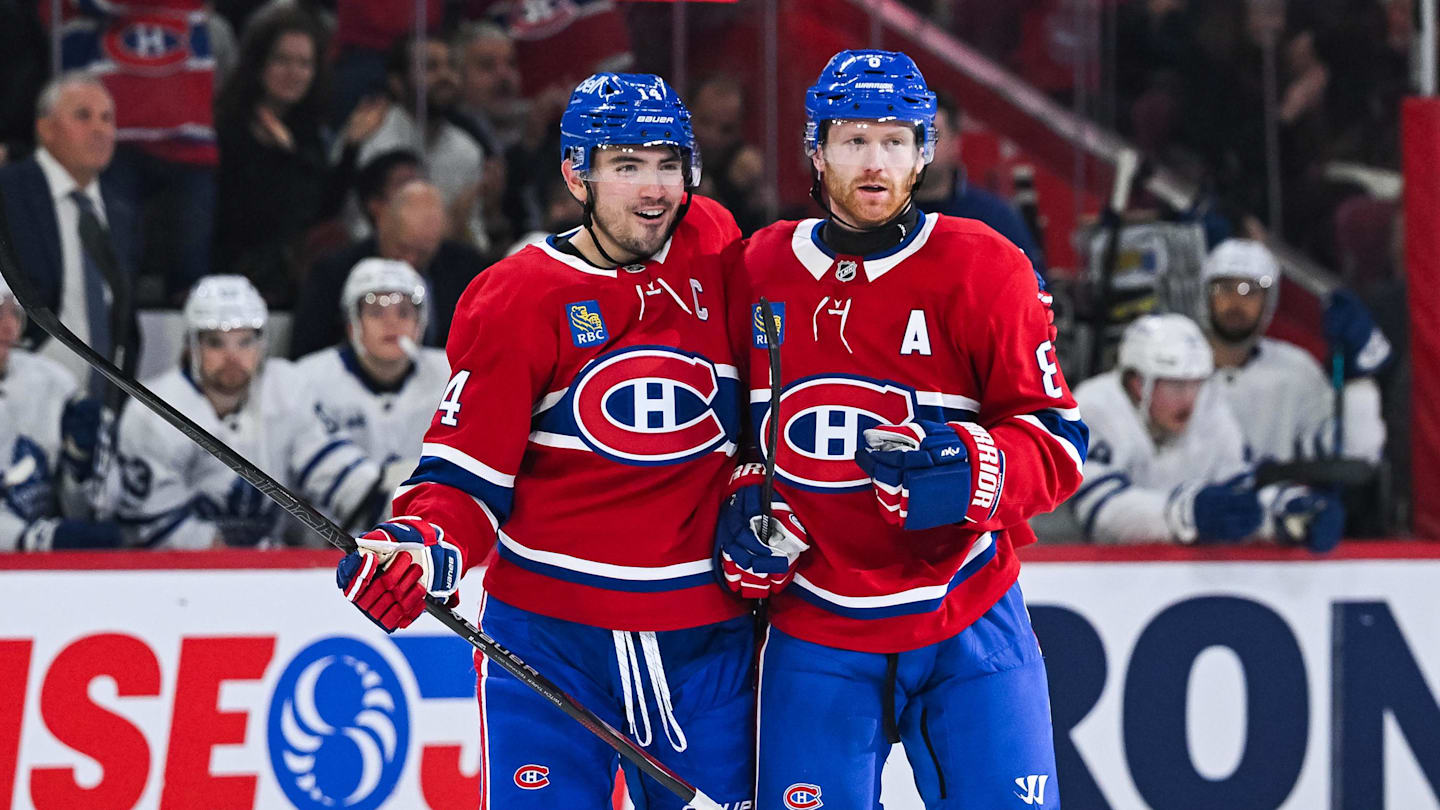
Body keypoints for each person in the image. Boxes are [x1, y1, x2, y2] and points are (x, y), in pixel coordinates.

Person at [333, 73, 754, 809]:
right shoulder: (518, 297)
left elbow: (764, 407)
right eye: (626, 165)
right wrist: (419, 546)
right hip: (553, 649)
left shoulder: (713, 244)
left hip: (706, 643)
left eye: (668, 164)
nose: (654, 189)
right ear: (575, 173)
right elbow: (465, 478)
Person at [719, 50, 1088, 808]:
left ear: (926, 152)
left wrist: (976, 469)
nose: (874, 161)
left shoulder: (989, 267)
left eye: (895, 141)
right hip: (815, 625)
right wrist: (744, 495)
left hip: (967, 616)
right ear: (815, 152)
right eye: (854, 141)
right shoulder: (754, 270)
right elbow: (731, 432)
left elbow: (1058, 442)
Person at [111, 275, 382, 549]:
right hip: (175, 576)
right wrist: (238, 556)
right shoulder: (152, 410)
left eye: (245, 341)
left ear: (261, 344)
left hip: (268, 565)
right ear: (192, 346)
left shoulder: (287, 387)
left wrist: (383, 495)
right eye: (216, 342)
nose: (232, 357)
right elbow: (149, 527)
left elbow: (333, 467)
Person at [1071, 312, 1345, 550]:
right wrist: (1184, 514)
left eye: (1196, 383)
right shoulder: (1093, 409)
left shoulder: (1207, 406)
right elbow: (1101, 513)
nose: (1190, 398)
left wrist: (1288, 510)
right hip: (1069, 573)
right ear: (1139, 384)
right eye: (1177, 386)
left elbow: (1239, 489)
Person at [213, 7, 387, 303]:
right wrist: (281, 157)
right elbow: (245, 216)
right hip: (235, 276)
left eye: (305, 64)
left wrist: (351, 147)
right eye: (282, 60)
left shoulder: (307, 130)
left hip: (290, 276)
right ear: (258, 65)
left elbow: (320, 211)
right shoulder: (229, 126)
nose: (294, 73)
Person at [0, 72, 138, 392]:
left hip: (102, 402)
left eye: (107, 118)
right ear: (45, 128)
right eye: (83, 116)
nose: (100, 129)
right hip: (23, 399)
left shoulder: (121, 210)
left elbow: (124, 317)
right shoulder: (8, 194)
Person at [1202, 238, 1388, 464]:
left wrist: (1355, 380)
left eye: (1249, 290)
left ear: (1269, 301)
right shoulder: (1173, 364)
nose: (1235, 301)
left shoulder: (1296, 370)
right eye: (1224, 288)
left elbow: (1355, 452)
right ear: (1206, 295)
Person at [295, 258, 449, 506]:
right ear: (352, 323)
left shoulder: (450, 374)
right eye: (376, 312)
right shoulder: (307, 380)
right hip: (331, 538)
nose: (392, 323)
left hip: (424, 528)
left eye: (404, 312)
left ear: (422, 321)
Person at [289, 179, 484, 358]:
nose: (410, 260)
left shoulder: (466, 269)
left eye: (423, 253)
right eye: (403, 248)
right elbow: (306, 350)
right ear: (382, 224)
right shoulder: (332, 274)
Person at [0, 274, 122, 551]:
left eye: (14, 312)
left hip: (44, 567)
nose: (9, 328)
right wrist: (40, 538)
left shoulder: (52, 382)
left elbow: (91, 510)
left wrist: (82, 471)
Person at [913, 91, 1047, 278]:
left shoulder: (994, 218)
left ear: (955, 143)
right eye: (913, 136)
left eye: (932, 135)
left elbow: (1031, 290)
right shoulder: (878, 215)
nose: (921, 146)